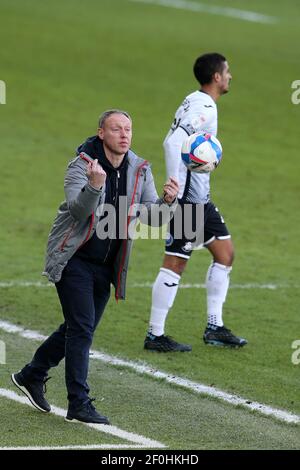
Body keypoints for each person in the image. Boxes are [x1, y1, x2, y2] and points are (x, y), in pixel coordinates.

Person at [11, 109, 179, 424]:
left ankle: (31, 375)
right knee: (82, 328)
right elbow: (78, 212)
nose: (125, 135)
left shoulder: (141, 170)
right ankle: (79, 402)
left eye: (128, 129)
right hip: (73, 258)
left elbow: (152, 219)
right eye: (117, 129)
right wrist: (94, 187)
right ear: (101, 133)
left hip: (107, 265)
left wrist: (167, 203)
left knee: (76, 328)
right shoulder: (81, 167)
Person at [144, 53, 247, 352]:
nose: (229, 76)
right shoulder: (203, 105)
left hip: (201, 199)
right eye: (227, 71)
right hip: (187, 201)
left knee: (225, 254)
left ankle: (214, 326)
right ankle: (155, 334)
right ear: (216, 76)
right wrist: (174, 183)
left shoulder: (197, 100)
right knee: (175, 262)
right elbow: (173, 141)